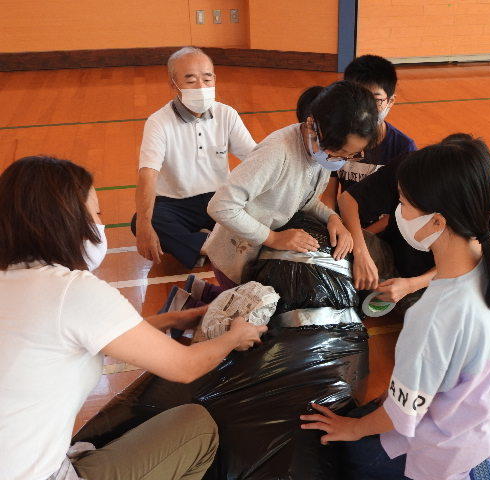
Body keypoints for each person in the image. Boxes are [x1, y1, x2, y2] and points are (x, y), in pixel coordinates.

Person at [0, 156, 267, 480]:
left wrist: (169, 320)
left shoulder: (14, 282)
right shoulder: (70, 291)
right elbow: (185, 367)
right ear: (66, 223)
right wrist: (235, 336)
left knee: (127, 415)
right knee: (199, 428)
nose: (100, 225)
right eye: (97, 214)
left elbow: (87, 337)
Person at [300, 135, 490, 480]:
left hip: (445, 452)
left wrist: (352, 429)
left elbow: (402, 414)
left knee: (350, 455)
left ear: (437, 222)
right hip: (488, 428)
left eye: (403, 203)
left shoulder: (434, 316)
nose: (397, 212)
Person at [204, 81, 379, 288]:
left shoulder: (320, 152)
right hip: (236, 261)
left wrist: (332, 218)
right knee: (241, 305)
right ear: (312, 126)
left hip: (264, 257)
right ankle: (201, 298)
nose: (342, 160)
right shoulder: (276, 153)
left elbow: (303, 199)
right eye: (339, 153)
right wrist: (273, 238)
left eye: (351, 155)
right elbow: (221, 206)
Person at [132, 46, 256, 269]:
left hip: (219, 199)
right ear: (173, 84)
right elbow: (148, 175)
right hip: (175, 203)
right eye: (190, 80)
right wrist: (144, 226)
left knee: (259, 207)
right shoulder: (158, 122)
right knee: (143, 221)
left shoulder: (226, 114)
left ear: (214, 79)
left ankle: (199, 246)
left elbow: (255, 158)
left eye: (207, 79)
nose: (201, 86)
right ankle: (219, 244)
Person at [321, 54, 417, 228]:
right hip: (344, 225)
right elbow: (329, 195)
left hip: (381, 232)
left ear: (390, 101)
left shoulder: (404, 148)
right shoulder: (337, 138)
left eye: (376, 100)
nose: (366, 109)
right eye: (358, 99)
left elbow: (400, 212)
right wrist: (334, 224)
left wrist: (362, 237)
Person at [339, 152, 436, 307]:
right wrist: (361, 253)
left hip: (430, 284)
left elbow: (465, 262)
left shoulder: (464, 200)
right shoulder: (410, 166)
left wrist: (411, 285)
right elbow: (348, 199)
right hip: (388, 254)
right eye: (401, 201)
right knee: (335, 242)